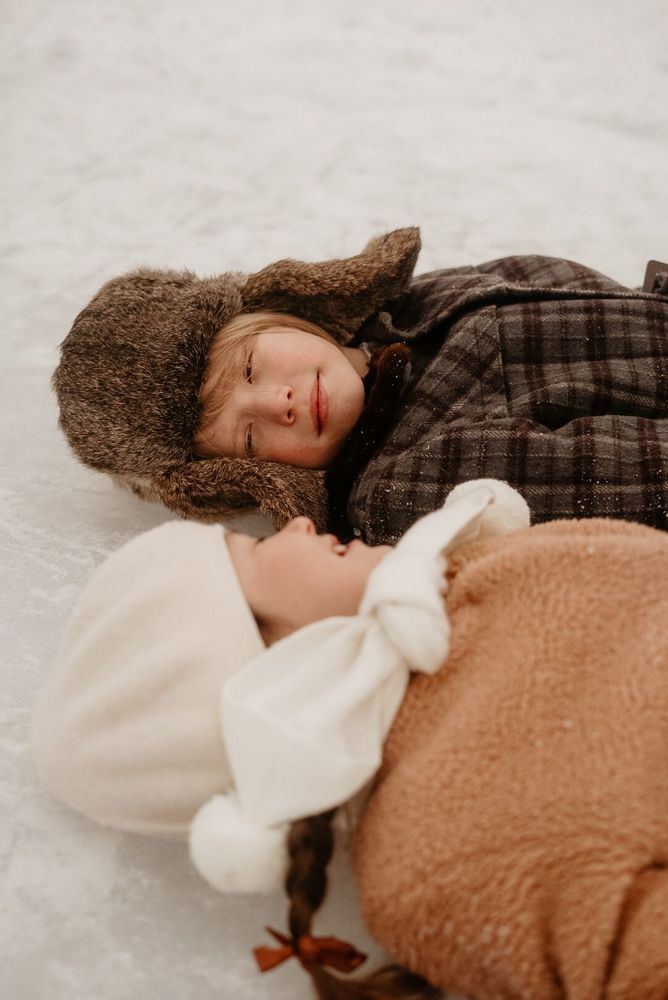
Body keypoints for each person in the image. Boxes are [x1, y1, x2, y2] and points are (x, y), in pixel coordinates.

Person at [30, 480, 668, 999]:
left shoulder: (463, 572)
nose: (298, 524)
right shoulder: (424, 866)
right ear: (252, 655)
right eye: (254, 548)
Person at [53, 229, 668, 541]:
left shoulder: (417, 303)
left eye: (250, 368)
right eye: (248, 437)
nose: (277, 403)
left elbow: (570, 285)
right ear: (247, 477)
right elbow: (622, 480)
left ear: (266, 314)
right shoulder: (398, 488)